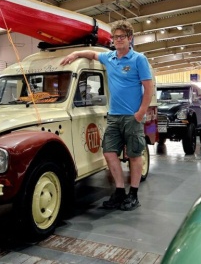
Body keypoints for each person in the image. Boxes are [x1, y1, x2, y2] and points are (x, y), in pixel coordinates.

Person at [60, 20, 153, 211]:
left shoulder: (138, 59)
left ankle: (133, 195)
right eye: (115, 37)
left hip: (131, 117)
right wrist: (76, 53)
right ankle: (119, 191)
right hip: (113, 116)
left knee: (135, 155)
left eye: (121, 37)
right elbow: (93, 54)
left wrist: (141, 112)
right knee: (109, 152)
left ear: (129, 38)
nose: (118, 40)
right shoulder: (109, 58)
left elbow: (148, 87)